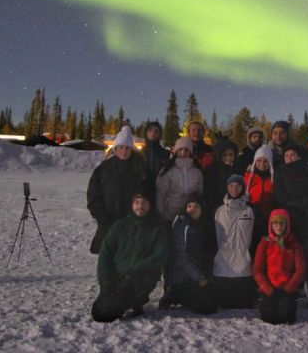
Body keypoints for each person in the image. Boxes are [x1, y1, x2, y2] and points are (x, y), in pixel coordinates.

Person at [91, 192, 168, 322]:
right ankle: (119, 300)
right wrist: (105, 286)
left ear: (150, 206)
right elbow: (105, 255)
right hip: (117, 277)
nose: (140, 206)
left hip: (141, 277)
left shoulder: (157, 228)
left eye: (144, 203)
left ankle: (137, 301)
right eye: (137, 203)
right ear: (132, 205)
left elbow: (161, 254)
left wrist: (138, 269)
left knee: (112, 310)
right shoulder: (120, 226)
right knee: (101, 312)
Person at [87, 125, 153, 254]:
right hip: (107, 224)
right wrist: (101, 216)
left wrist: (141, 215)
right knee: (108, 261)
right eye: (121, 147)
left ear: (131, 149)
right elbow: (93, 194)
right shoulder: (103, 169)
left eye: (127, 148)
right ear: (115, 148)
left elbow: (148, 193)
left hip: (132, 225)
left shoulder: (140, 169)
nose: (124, 151)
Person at [274, 145, 308, 309]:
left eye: (292, 154)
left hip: (304, 219)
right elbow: (278, 194)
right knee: (287, 258)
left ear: (299, 157)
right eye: (286, 155)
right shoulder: (280, 172)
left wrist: (305, 204)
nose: (289, 158)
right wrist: (292, 202)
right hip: (286, 221)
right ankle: (292, 291)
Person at [160, 193, 216, 314]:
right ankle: (174, 294)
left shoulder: (202, 225)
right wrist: (200, 278)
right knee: (208, 307)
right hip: (183, 277)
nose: (192, 209)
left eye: (196, 206)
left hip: (195, 275)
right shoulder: (182, 225)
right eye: (189, 206)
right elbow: (182, 259)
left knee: (214, 301)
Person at [212, 174, 259, 308]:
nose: (234, 189)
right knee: (224, 303)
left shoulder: (250, 210)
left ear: (242, 188)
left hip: (244, 266)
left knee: (243, 304)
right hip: (222, 266)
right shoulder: (218, 210)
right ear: (227, 187)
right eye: (231, 185)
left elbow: (256, 235)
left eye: (238, 186)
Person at [253, 209, 306, 325]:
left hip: (286, 288)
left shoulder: (293, 243)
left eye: (281, 223)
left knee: (285, 317)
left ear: (287, 225)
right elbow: (258, 270)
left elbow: (300, 269)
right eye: (275, 223)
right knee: (269, 318)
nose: (278, 226)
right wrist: (267, 288)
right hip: (268, 288)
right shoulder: (264, 243)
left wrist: (288, 288)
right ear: (271, 225)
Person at [156, 137, 204, 223]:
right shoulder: (168, 170)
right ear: (176, 151)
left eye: (186, 150)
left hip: (190, 215)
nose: (183, 152)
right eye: (180, 149)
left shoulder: (197, 172)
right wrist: (161, 214)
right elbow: (160, 194)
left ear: (190, 152)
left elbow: (199, 194)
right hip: (169, 216)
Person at [244, 145, 276, 227]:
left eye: (265, 161)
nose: (262, 164)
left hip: (269, 219)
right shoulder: (248, 178)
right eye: (259, 161)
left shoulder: (274, 179)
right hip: (250, 220)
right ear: (255, 162)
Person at [205, 138, 239, 212]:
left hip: (234, 209)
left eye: (231, 154)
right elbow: (209, 195)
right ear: (219, 155)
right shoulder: (212, 171)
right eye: (225, 155)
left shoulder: (237, 169)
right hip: (216, 210)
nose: (228, 158)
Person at [142, 121, 171, 190]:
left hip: (161, 190)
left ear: (159, 134)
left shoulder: (165, 153)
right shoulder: (140, 153)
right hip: (143, 190)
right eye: (150, 130)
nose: (153, 133)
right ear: (146, 133)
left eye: (156, 131)